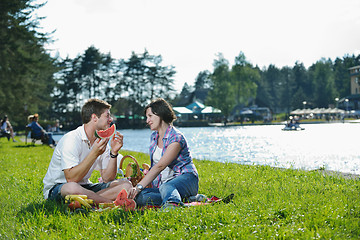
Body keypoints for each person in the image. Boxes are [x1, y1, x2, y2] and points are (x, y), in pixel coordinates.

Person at [43, 98, 132, 204]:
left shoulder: (100, 141)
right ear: (94, 117)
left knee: (126, 185)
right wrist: (94, 153)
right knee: (72, 188)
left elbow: (107, 178)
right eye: (107, 115)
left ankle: (86, 201)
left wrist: (114, 152)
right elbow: (71, 178)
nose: (111, 119)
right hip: (59, 188)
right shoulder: (71, 139)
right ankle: (110, 203)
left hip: (85, 187)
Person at [128, 98, 199, 209]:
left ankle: (172, 206)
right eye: (147, 117)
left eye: (150, 116)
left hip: (186, 179)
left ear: (160, 114)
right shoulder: (154, 136)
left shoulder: (176, 137)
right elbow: (154, 166)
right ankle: (185, 199)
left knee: (167, 186)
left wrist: (138, 186)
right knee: (141, 197)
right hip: (163, 186)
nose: (147, 121)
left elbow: (160, 166)